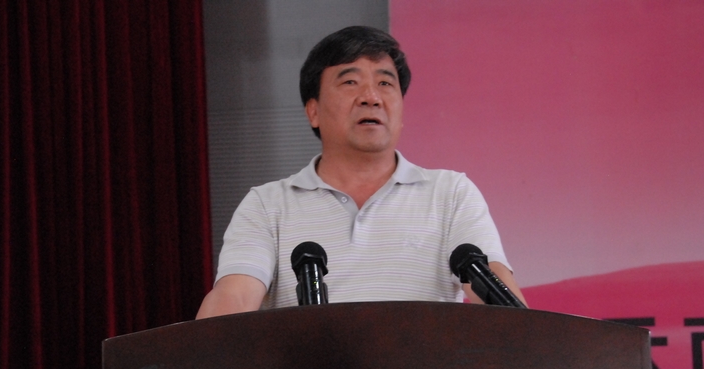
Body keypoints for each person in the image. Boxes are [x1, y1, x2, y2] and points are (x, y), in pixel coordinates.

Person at [196, 26, 526, 319]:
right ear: (313, 111)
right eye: (350, 82)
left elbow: (496, 289)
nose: (371, 97)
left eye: (385, 83)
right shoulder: (267, 205)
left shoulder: (451, 193)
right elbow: (235, 297)